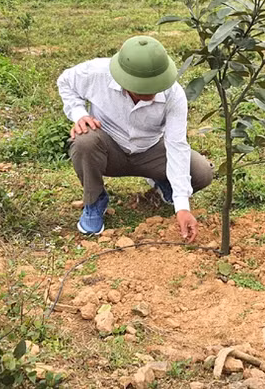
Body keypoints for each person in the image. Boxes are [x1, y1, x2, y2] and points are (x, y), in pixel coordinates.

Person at [57, 35, 214, 241]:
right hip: (109, 149)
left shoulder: (173, 95)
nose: (149, 92)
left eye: (154, 86)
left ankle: (162, 182)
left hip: (150, 151)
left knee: (202, 172)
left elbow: (176, 145)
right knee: (84, 140)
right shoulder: (97, 73)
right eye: (141, 88)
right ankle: (95, 200)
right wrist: (80, 114)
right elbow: (65, 82)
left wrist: (182, 206)